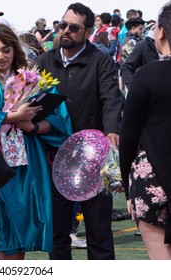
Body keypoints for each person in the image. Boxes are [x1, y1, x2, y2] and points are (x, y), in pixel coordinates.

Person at [0, 24, 72, 260]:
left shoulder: (32, 78)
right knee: (4, 223)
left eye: (5, 50)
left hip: (29, 160)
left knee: (25, 219)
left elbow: (59, 120)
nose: (0, 56)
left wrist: (33, 126)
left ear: (15, 49)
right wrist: (13, 117)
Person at [36, 2, 123, 260]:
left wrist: (111, 132)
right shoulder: (43, 61)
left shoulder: (102, 62)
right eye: (62, 25)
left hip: (93, 161)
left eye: (74, 27)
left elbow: (111, 99)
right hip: (53, 157)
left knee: (99, 233)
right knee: (57, 234)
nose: (66, 31)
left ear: (87, 32)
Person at [119, 2, 171, 260]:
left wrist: (128, 188)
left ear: (160, 31)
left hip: (154, 178)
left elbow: (128, 136)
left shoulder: (148, 76)